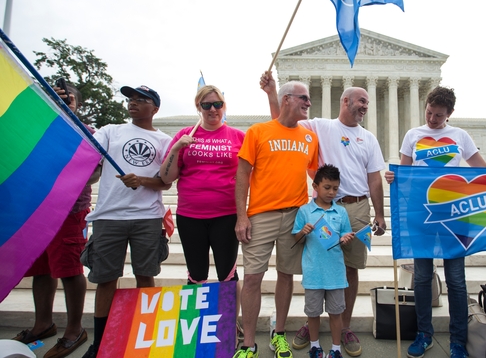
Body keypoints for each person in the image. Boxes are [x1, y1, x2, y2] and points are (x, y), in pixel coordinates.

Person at [261, 72, 386, 357]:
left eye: (367, 102)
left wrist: (378, 213)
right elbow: (284, 121)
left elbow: (374, 178)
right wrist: (271, 93)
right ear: (345, 101)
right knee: (316, 262)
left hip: (355, 206)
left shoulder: (368, 138)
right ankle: (311, 321)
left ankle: (345, 327)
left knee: (351, 268)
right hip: (322, 205)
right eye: (361, 101)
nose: (365, 106)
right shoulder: (321, 126)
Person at [384, 86, 486, 358]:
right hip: (422, 212)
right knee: (421, 277)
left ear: (450, 114)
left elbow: (482, 170)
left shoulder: (460, 136)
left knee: (456, 279)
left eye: (439, 116)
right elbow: (405, 173)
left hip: (455, 213)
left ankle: (457, 340)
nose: (432, 119)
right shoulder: (413, 135)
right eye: (429, 113)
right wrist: (395, 179)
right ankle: (424, 333)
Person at [80, 85, 173, 358]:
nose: (133, 103)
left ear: (155, 109)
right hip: (109, 216)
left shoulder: (164, 141)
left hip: (147, 218)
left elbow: (165, 182)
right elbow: (88, 154)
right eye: (130, 99)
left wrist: (141, 180)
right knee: (106, 279)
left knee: (146, 276)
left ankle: (146, 339)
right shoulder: (110, 131)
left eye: (141, 100)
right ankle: (101, 343)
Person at [12, 84, 100, 358]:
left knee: (69, 268)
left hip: (69, 211)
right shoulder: (37, 128)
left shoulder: (86, 132)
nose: (63, 102)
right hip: (36, 210)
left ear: (78, 103)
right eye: (56, 97)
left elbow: (95, 171)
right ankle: (43, 324)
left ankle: (74, 330)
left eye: (69, 98)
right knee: (42, 268)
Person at [233, 81, 319, 358]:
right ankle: (248, 343)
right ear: (286, 100)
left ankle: (279, 333)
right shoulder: (258, 131)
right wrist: (242, 216)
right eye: (303, 98)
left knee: (286, 275)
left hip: (295, 215)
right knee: (253, 278)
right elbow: (242, 174)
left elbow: (316, 177)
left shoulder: (309, 137)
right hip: (261, 215)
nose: (308, 102)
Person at [159, 85, 245, 340]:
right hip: (191, 215)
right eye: (206, 105)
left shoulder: (238, 137)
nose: (212, 109)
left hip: (226, 214)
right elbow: (166, 177)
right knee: (196, 273)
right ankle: (194, 325)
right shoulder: (185, 135)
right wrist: (176, 149)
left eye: (217, 104)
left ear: (224, 106)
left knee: (227, 273)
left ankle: (230, 322)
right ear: (198, 108)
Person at [293, 164, 355, 358]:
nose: (331, 192)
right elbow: (296, 238)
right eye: (327, 187)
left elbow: (346, 231)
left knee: (336, 313)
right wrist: (302, 232)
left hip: (336, 273)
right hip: (313, 272)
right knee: (312, 313)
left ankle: (335, 349)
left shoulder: (341, 212)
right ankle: (314, 346)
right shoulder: (304, 211)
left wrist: (346, 238)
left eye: (335, 188)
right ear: (315, 186)